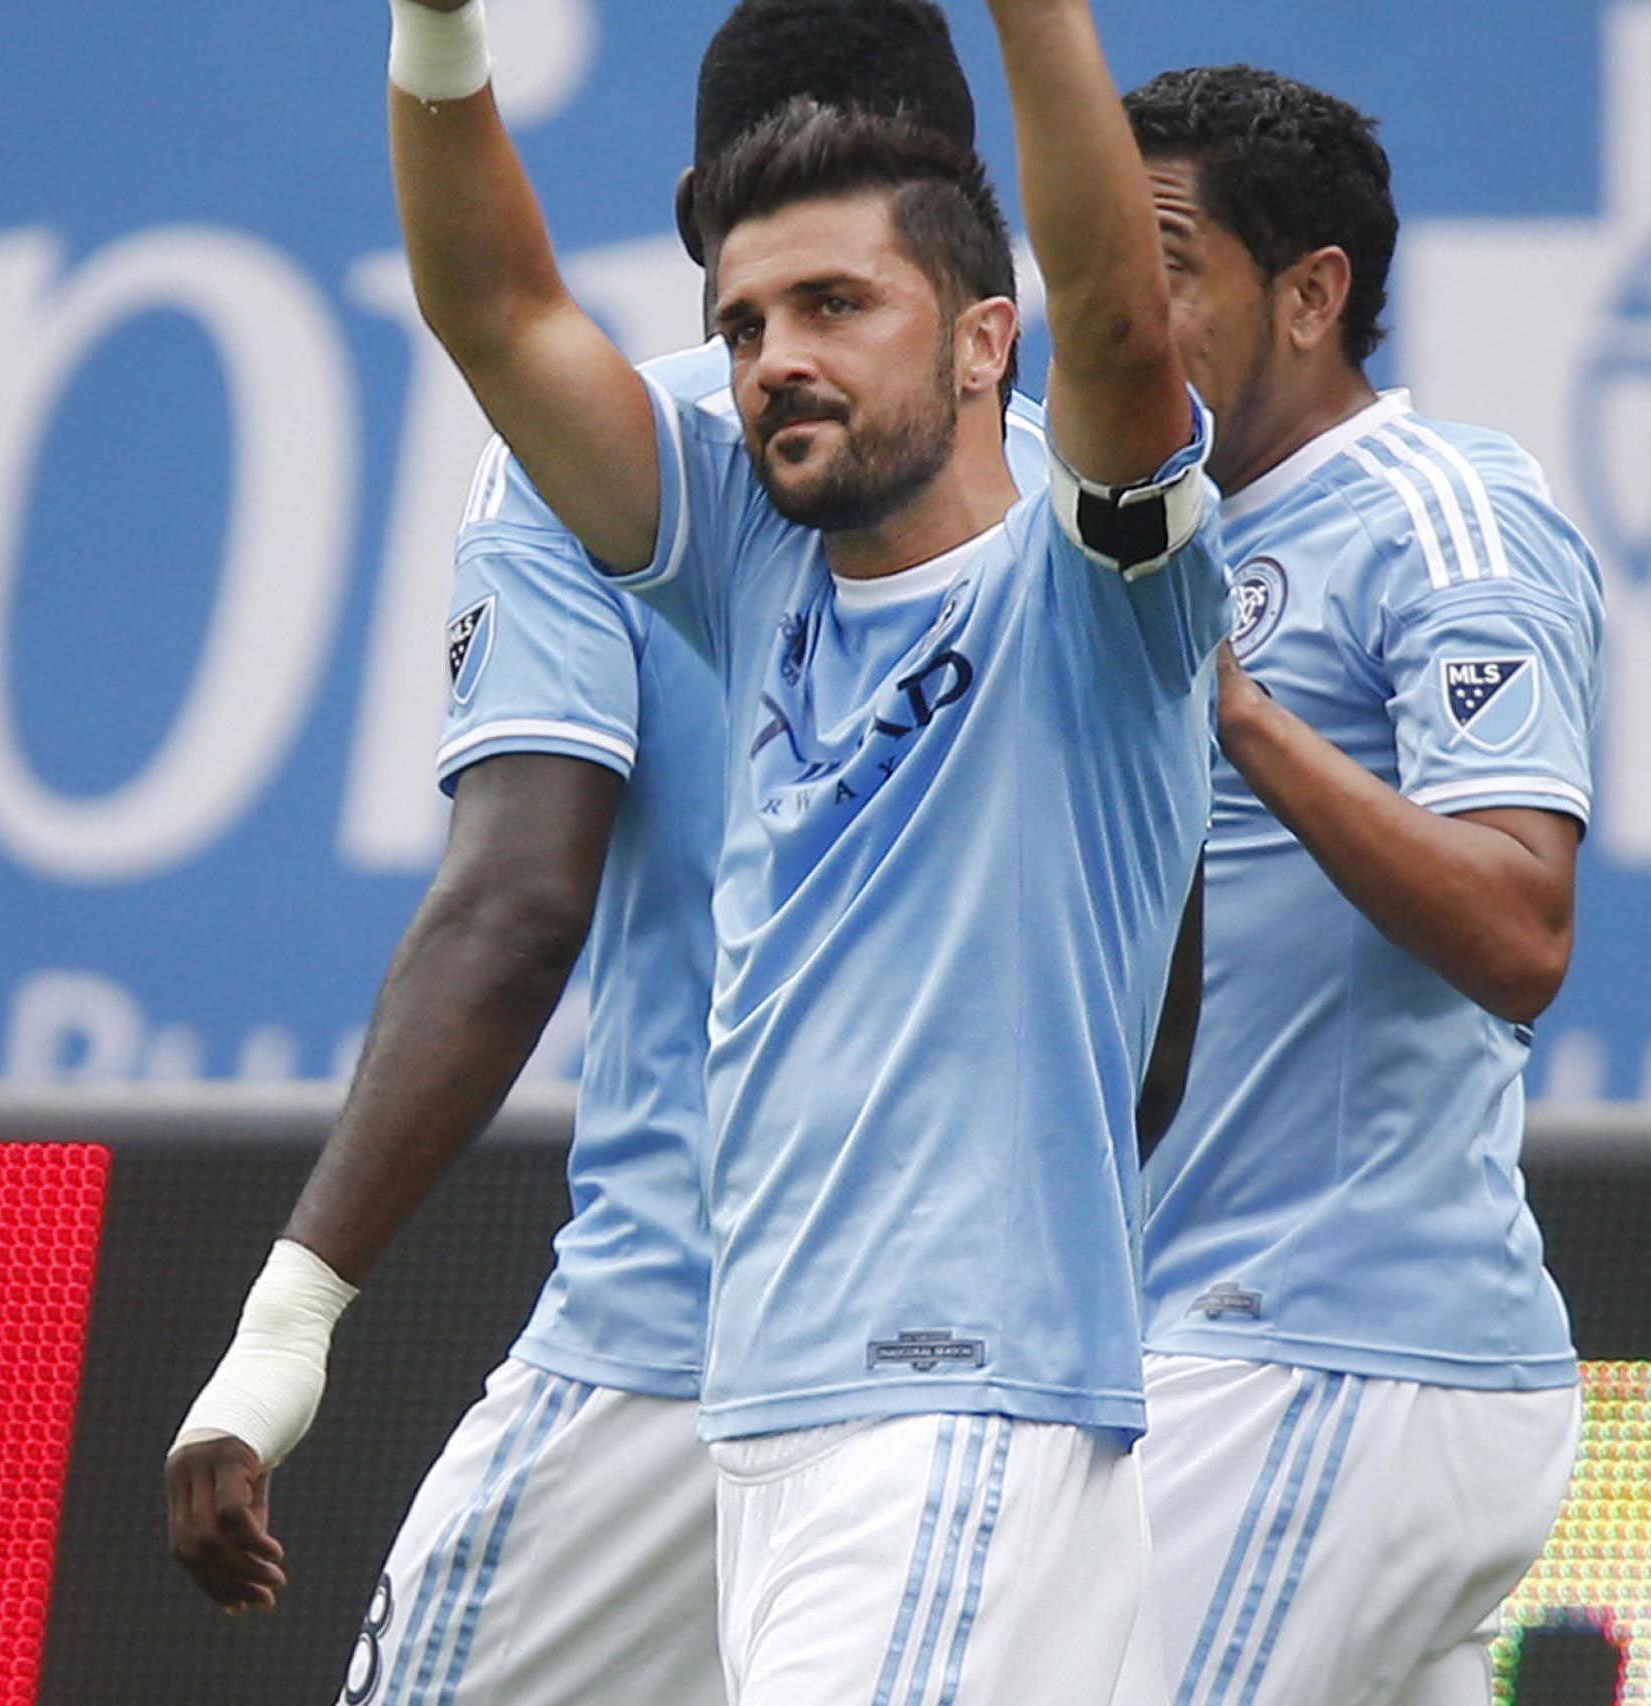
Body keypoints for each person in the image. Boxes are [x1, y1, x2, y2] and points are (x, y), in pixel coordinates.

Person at [164, 9, 1024, 1706]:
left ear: (702, 208)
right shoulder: (1106, 524)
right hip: (997, 1378)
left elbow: (513, 909)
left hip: (666, 1358)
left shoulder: (623, 453)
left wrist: (285, 1325)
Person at [382, 1, 1227, 1700]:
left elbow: (1122, 324)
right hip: (775, 1434)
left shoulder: (1101, 588)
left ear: (984, 340)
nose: (773, 355)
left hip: (950, 1416)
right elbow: (498, 311)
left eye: (836, 303)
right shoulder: (758, 567)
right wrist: (437, 25)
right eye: (744, 321)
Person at [1127, 65, 1603, 1706]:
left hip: (1325, 1346)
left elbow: (1521, 925)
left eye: (1164, 267)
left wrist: (1239, 710)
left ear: (1310, 295)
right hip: (1202, 1337)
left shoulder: (1444, 515)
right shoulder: (1138, 533)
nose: (1112, 314)